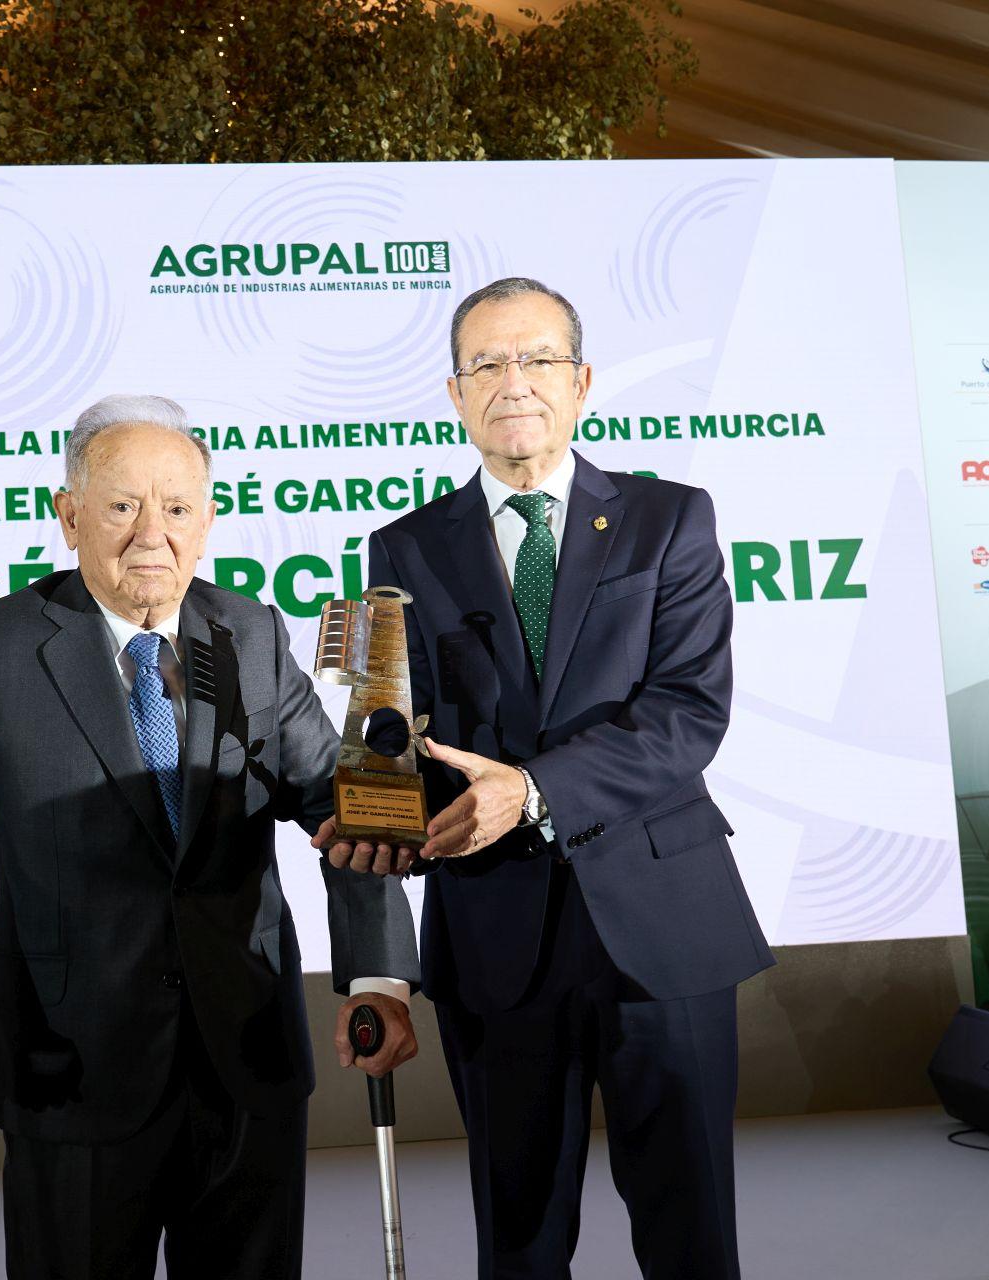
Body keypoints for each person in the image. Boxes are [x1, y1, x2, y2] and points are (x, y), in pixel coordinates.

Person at [0, 394, 421, 1279]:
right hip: (71, 1066)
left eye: (178, 508)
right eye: (121, 506)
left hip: (247, 1059)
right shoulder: (1, 646)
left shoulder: (251, 634)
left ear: (209, 521)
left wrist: (378, 975)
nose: (153, 533)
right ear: (69, 518)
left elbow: (344, 806)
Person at [357, 277, 774, 1278]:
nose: (514, 382)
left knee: (692, 1229)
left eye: (537, 358)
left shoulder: (668, 519)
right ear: (454, 394)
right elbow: (382, 733)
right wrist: (369, 808)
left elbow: (687, 713)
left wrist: (532, 790)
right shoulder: (401, 546)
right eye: (486, 364)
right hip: (494, 931)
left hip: (661, 921)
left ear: (581, 381)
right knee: (520, 1235)